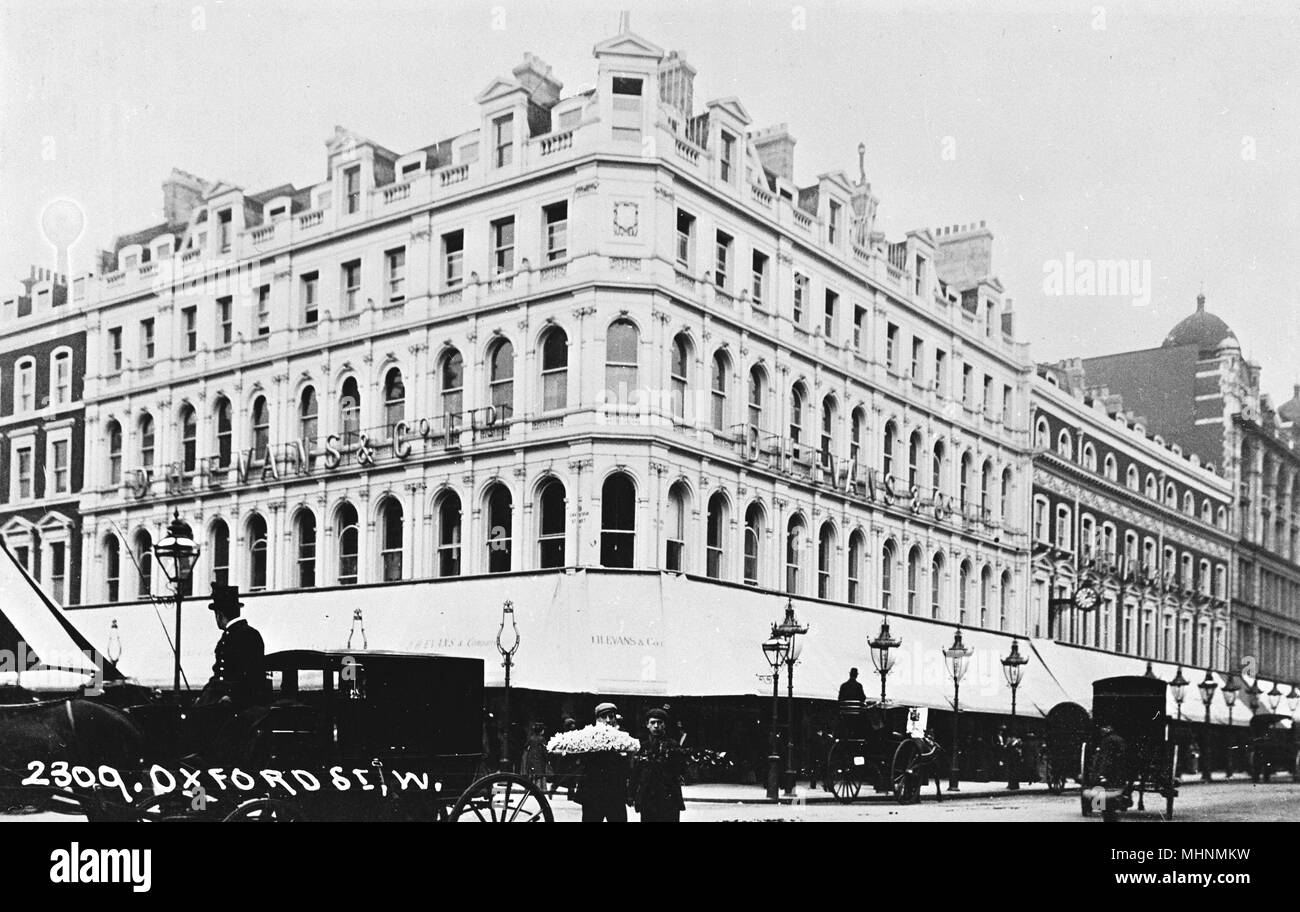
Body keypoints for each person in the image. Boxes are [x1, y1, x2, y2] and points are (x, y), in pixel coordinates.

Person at [196, 584, 266, 710]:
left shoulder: (243, 635)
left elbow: (250, 675)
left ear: (219, 615)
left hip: (234, 701)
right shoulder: (238, 634)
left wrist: (232, 697)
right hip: (221, 696)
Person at [573, 703, 630, 822]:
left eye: (611, 716)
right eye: (604, 717)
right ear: (597, 719)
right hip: (592, 794)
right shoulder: (588, 736)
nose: (608, 720)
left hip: (615, 793)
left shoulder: (623, 738)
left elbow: (627, 765)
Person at [630, 708, 685, 822]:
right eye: (652, 722)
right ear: (647, 725)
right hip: (647, 797)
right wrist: (631, 794)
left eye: (659, 722)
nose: (656, 726)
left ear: (664, 725)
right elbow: (635, 772)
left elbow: (680, 770)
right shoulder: (641, 746)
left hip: (668, 797)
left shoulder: (673, 745)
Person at [520, 721, 550, 789]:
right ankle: (539, 787)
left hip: (531, 756)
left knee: (532, 772)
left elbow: (525, 746)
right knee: (540, 773)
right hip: (539, 757)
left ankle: (531, 787)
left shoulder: (531, 738)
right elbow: (544, 750)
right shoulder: (542, 739)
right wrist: (547, 758)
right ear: (541, 731)